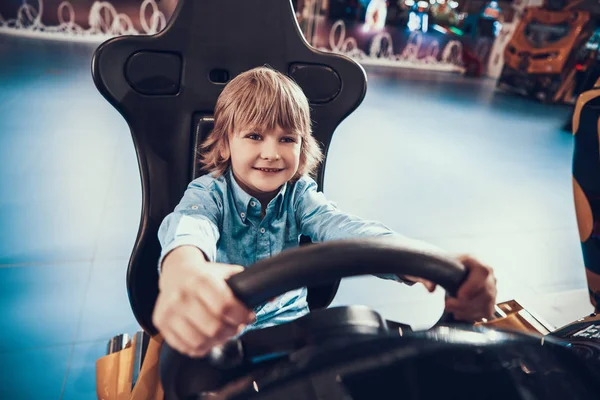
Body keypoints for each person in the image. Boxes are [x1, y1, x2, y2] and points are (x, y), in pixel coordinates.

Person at [153, 66, 497, 358]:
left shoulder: (300, 195)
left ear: (303, 146)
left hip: (293, 336)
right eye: (255, 136)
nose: (272, 153)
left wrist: (427, 260)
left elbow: (347, 229)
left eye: (287, 139)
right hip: (221, 337)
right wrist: (184, 273)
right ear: (226, 143)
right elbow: (188, 228)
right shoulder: (208, 193)